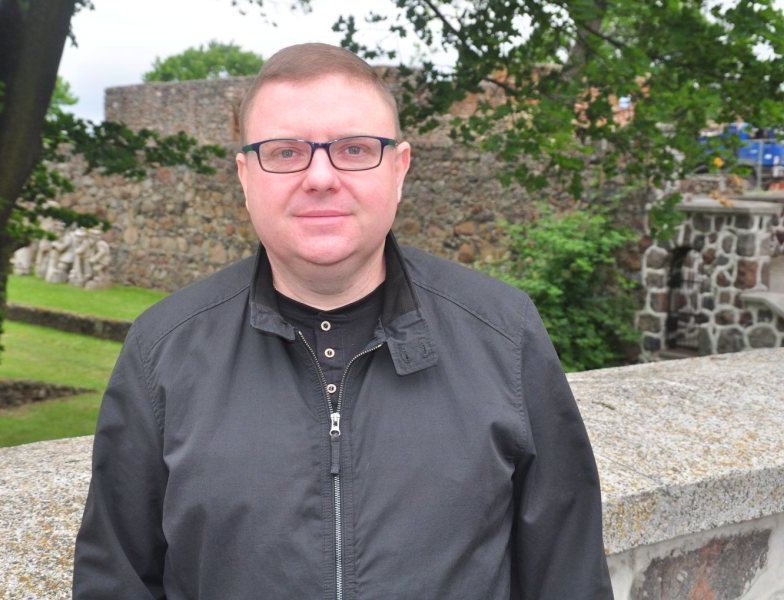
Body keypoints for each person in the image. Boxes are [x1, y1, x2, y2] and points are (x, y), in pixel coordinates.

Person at [73, 42, 613, 599]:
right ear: (245, 176)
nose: (320, 177)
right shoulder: (162, 351)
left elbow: (568, 577)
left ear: (399, 169)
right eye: (285, 152)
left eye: (355, 149)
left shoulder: (504, 334)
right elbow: (115, 581)